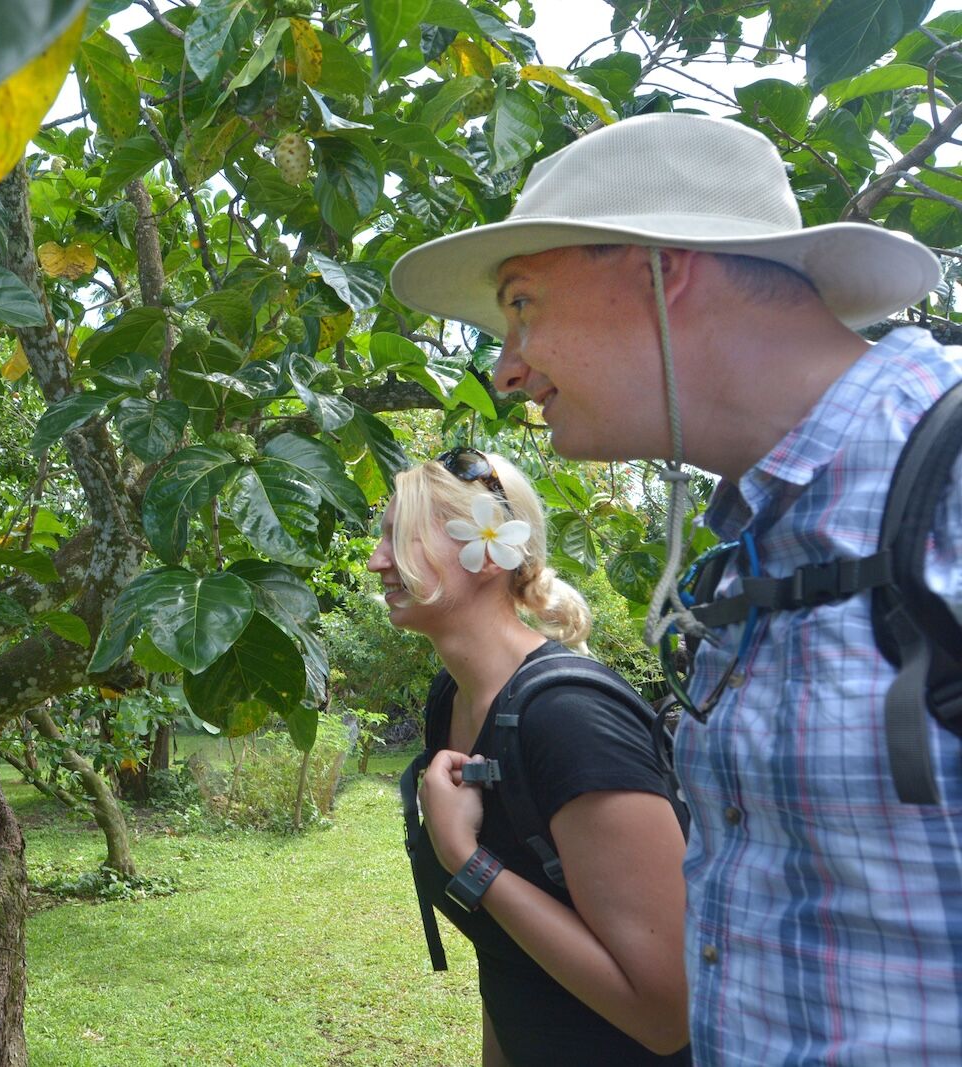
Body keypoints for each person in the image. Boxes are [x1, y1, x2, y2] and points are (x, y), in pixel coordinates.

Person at [389, 112, 962, 1065]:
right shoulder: (744, 550)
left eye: (523, 304)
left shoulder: (943, 485)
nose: (505, 368)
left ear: (661, 268)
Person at [372, 450, 690, 1065]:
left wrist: (468, 859)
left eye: (401, 538)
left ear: (489, 552)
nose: (377, 560)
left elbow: (668, 1017)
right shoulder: (454, 698)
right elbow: (509, 964)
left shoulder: (568, 719)